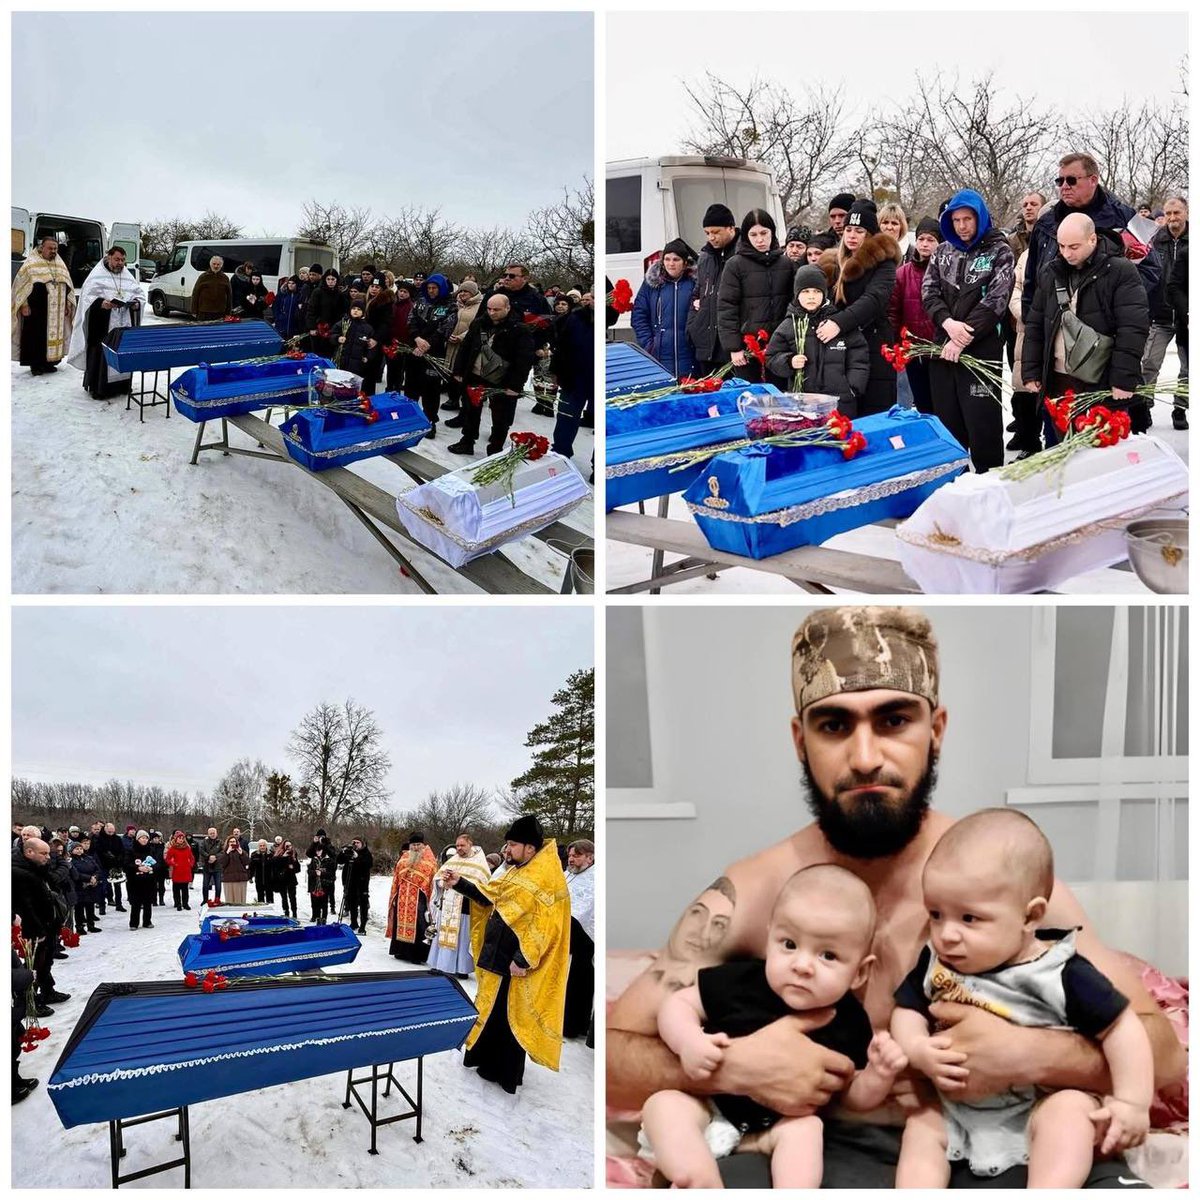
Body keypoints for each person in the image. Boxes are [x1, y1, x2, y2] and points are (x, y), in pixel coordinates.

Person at [606, 605, 1184, 1187]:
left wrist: (1030, 1054)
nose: (865, 758)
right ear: (799, 740)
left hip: (1005, 1145)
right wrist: (733, 1069)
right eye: (833, 725)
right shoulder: (753, 893)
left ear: (935, 730)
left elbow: (1163, 1052)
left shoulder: (1001, 883)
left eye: (893, 721)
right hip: (809, 1152)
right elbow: (610, 1054)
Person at [891, 808, 1151, 1187]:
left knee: (1070, 1113)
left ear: (1030, 917)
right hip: (959, 1113)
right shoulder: (936, 963)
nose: (946, 934)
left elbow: (1123, 1028)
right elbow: (907, 1009)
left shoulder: (1060, 972)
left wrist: (1132, 1102)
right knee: (921, 1125)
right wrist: (916, 1047)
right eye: (935, 914)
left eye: (969, 919)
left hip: (1038, 1109)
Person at [640, 865, 906, 1188]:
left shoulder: (850, 1020)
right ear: (769, 940)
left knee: (808, 1129)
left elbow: (850, 1097)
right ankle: (700, 1180)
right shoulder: (742, 980)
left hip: (776, 1128)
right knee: (663, 1105)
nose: (802, 965)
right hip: (708, 1106)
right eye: (789, 945)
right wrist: (689, 1041)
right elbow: (677, 1004)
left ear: (860, 973)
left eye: (828, 955)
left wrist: (879, 1075)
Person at [1020, 155, 1160, 432]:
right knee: (1059, 437)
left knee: (1105, 444)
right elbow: (1033, 280)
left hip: (1104, 350)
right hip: (1057, 348)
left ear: (1093, 180)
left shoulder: (1124, 217)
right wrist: (1034, 327)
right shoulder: (1047, 223)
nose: (1064, 186)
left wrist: (1109, 304)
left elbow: (1152, 271)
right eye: (1059, 181)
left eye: (1071, 180)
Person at [443, 815, 570, 1094]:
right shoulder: (517, 869)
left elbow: (545, 927)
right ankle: (482, 1060)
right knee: (491, 1012)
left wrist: (523, 959)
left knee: (509, 1018)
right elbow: (491, 895)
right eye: (507, 844)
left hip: (514, 961)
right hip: (497, 954)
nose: (507, 849)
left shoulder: (545, 877)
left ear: (530, 847)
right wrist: (459, 883)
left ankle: (504, 1073)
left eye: (512, 844)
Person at [921, 188, 1014, 473]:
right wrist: (947, 323)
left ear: (980, 218)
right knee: (948, 419)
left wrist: (963, 338)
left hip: (981, 351)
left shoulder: (1000, 251)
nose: (962, 226)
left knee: (981, 420)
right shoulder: (942, 252)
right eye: (957, 220)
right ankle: (955, 477)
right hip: (943, 350)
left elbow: (996, 300)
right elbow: (929, 292)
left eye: (967, 219)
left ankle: (989, 478)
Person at [818, 199, 902, 414]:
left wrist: (838, 323)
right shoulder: (833, 263)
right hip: (843, 352)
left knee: (875, 414)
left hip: (875, 347)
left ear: (870, 235)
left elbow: (874, 299)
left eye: (859, 230)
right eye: (848, 230)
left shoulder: (885, 263)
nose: (852, 235)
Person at [765, 265, 869, 413]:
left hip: (841, 402)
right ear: (797, 295)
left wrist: (852, 387)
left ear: (825, 294)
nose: (811, 296)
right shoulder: (789, 325)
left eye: (817, 291)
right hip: (803, 402)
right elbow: (771, 356)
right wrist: (789, 361)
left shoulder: (838, 322)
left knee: (839, 435)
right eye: (806, 291)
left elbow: (859, 354)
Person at [448, 293, 536, 457]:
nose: (492, 313)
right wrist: (459, 370)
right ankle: (467, 440)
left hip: (502, 380)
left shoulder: (519, 329)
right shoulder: (479, 323)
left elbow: (524, 360)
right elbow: (466, 347)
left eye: (497, 309)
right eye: (489, 309)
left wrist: (515, 386)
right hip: (475, 374)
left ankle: (495, 449)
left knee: (500, 417)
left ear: (507, 308)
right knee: (470, 410)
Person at [718, 209, 794, 387]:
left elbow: (793, 302)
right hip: (748, 347)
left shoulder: (786, 264)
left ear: (772, 233)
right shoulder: (735, 265)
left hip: (779, 346)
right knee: (751, 397)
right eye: (753, 234)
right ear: (745, 236)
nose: (759, 240)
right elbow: (726, 307)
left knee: (779, 396)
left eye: (764, 233)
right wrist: (734, 347)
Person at [66, 246, 146, 398]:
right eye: (117, 259)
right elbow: (86, 299)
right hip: (102, 324)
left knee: (122, 353)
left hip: (124, 323)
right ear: (108, 257)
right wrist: (101, 304)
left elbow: (139, 295)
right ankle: (100, 388)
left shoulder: (127, 276)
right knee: (102, 355)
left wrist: (136, 303)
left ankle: (122, 386)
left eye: (123, 260)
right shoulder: (96, 276)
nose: (120, 263)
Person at [1141, 197, 1188, 431]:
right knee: (1149, 363)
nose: (1171, 218)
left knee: (1187, 368)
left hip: (1185, 316)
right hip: (1159, 313)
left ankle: (1181, 407)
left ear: (1186, 212)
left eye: (1176, 213)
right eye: (1168, 213)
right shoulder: (1155, 241)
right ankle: (1144, 405)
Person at [887, 216, 941, 413]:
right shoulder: (902, 274)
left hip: (939, 350)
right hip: (914, 351)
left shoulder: (945, 271)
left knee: (943, 405)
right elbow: (893, 312)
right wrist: (897, 345)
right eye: (921, 239)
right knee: (922, 403)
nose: (925, 244)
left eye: (931, 240)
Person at [12, 838, 70, 1014]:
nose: (48, 857)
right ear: (29, 852)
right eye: (43, 854)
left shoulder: (36, 867)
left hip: (47, 924)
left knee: (46, 961)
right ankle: (30, 1002)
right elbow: (25, 906)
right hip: (34, 928)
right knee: (35, 965)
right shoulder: (18, 872)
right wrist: (37, 931)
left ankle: (47, 991)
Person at [686, 203, 740, 376]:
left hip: (732, 346)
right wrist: (693, 326)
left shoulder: (742, 255)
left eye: (716, 232)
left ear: (731, 228)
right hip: (706, 344)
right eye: (707, 233)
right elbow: (698, 291)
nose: (711, 237)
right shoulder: (705, 257)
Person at [632, 238, 698, 378]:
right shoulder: (652, 284)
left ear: (685, 263)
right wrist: (649, 344)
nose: (671, 264)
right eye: (667, 259)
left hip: (689, 356)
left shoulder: (695, 283)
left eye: (676, 259)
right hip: (660, 356)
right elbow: (639, 315)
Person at [12, 234, 76, 375]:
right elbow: (20, 287)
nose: (53, 251)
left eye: (55, 248)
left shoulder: (60, 264)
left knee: (51, 336)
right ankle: (36, 364)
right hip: (36, 309)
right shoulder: (30, 264)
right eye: (50, 248)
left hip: (56, 309)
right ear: (42, 248)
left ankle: (50, 363)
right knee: (36, 336)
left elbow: (67, 285)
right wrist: (24, 305)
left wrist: (66, 304)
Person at [428, 833, 491, 977]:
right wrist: (441, 882)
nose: (459, 848)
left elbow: (483, 887)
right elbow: (437, 878)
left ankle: (461, 969)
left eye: (462, 845)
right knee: (443, 936)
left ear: (470, 844)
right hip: (448, 905)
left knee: (462, 939)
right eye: (457, 845)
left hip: (465, 907)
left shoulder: (479, 863)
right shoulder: (454, 860)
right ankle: (440, 964)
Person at [409, 274, 457, 438]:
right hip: (415, 347)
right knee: (412, 384)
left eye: (434, 288)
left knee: (431, 389)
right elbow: (411, 319)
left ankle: (430, 420)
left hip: (435, 351)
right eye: (429, 288)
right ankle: (411, 415)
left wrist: (427, 344)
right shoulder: (421, 301)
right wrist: (416, 338)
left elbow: (446, 327)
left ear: (441, 288)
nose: (431, 291)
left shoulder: (450, 306)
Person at [550, 290, 594, 459]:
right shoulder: (574, 318)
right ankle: (561, 451)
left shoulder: (605, 315)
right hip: (573, 376)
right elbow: (561, 346)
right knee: (566, 416)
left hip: (597, 375)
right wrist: (555, 371)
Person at [386, 833, 437, 962]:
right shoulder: (405, 857)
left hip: (419, 896)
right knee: (400, 922)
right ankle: (400, 951)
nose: (415, 847)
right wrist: (395, 895)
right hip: (402, 896)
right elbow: (397, 876)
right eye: (413, 845)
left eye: (418, 845)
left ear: (422, 845)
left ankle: (417, 955)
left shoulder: (429, 859)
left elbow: (431, 879)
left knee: (419, 923)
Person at [564, 839, 596, 1040]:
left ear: (590, 857)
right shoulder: (568, 874)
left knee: (579, 982)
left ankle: (573, 1025)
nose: (571, 859)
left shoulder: (595, 879)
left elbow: (581, 912)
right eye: (570, 855)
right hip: (566, 933)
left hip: (584, 938)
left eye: (576, 855)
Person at [441, 279, 484, 419]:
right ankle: (452, 398)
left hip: (466, 344)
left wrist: (462, 337)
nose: (463, 293)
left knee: (462, 372)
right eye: (461, 290)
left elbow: (477, 326)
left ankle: (463, 403)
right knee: (451, 370)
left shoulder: (480, 306)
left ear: (473, 292)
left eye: (466, 291)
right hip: (451, 342)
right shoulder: (457, 304)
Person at [307, 268, 346, 359]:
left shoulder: (339, 294)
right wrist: (312, 327)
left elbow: (342, 312)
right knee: (318, 354)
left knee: (330, 354)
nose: (330, 282)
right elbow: (311, 310)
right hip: (319, 328)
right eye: (328, 279)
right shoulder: (318, 292)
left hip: (333, 329)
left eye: (333, 279)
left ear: (337, 280)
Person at [338, 837, 373, 932]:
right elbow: (339, 861)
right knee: (351, 904)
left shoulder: (366, 853)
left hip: (362, 883)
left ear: (362, 843)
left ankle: (363, 926)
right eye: (354, 842)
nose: (355, 844)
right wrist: (343, 852)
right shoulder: (350, 852)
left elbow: (368, 865)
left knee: (363, 905)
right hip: (350, 882)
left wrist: (357, 857)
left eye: (357, 842)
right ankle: (354, 923)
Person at [69, 837, 103, 935]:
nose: (79, 851)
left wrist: (95, 877)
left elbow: (97, 869)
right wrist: (88, 878)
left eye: (80, 848)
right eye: (77, 849)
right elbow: (75, 874)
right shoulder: (71, 861)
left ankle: (91, 925)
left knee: (90, 907)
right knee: (79, 909)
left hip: (91, 886)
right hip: (79, 887)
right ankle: (79, 927)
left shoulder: (89, 858)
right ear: (72, 850)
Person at [125, 831, 157, 930]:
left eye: (146, 838)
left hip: (149, 880)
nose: (144, 840)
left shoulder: (151, 850)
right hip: (135, 881)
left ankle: (147, 921)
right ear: (137, 839)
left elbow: (157, 863)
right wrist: (138, 868)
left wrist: (152, 868)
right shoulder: (131, 850)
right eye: (142, 838)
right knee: (136, 903)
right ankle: (134, 923)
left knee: (148, 902)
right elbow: (126, 864)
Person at [334, 298, 374, 375]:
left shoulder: (368, 328)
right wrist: (337, 338)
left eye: (359, 309)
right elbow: (332, 334)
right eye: (353, 308)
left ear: (363, 312)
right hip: (341, 359)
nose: (355, 311)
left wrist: (367, 357)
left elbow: (371, 346)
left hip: (357, 362)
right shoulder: (343, 322)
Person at [1008, 192, 1046, 259]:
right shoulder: (1011, 241)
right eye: (1025, 205)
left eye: (1033, 204)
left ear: (1043, 208)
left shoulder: (1052, 237)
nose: (1028, 208)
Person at [164, 830, 195, 911]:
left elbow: (192, 858)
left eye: (182, 838)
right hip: (177, 871)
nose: (181, 840)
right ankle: (178, 904)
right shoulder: (173, 848)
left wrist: (190, 864)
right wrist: (173, 864)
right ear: (176, 839)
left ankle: (185, 904)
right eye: (179, 838)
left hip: (185, 871)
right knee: (176, 890)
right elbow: (167, 859)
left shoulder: (187, 848)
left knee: (185, 890)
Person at [271, 841, 301, 919]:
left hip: (291, 879)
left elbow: (298, 869)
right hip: (282, 879)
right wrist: (283, 857)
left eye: (290, 845)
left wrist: (293, 866)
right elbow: (275, 865)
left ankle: (294, 913)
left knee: (292, 897)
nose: (288, 847)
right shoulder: (279, 854)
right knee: (284, 898)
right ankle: (286, 912)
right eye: (287, 846)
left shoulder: (293, 854)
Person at [272, 275, 307, 340]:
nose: (290, 285)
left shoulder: (300, 295)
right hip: (282, 325)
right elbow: (276, 306)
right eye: (289, 283)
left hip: (294, 326)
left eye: (293, 283)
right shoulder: (283, 294)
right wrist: (278, 318)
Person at [219, 834, 251, 905]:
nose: (232, 843)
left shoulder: (242, 851)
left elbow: (247, 862)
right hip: (228, 879)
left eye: (234, 841)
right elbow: (222, 863)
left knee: (240, 900)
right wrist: (227, 852)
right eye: (230, 842)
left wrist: (241, 853)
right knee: (230, 900)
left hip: (241, 879)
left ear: (237, 843)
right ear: (228, 843)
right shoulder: (224, 852)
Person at [307, 842, 334, 924]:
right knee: (315, 902)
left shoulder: (329, 860)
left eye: (319, 850)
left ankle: (324, 918)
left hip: (325, 884)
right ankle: (317, 917)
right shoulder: (314, 859)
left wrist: (321, 873)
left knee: (324, 903)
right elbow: (309, 871)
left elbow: (331, 874)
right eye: (317, 851)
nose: (317, 852)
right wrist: (315, 872)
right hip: (314, 884)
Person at [199, 826, 222, 903]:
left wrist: (215, 857)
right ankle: (205, 900)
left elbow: (223, 852)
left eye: (213, 833)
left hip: (217, 867)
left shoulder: (220, 842)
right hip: (207, 866)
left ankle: (217, 899)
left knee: (218, 886)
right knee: (205, 885)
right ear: (208, 834)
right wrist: (209, 857)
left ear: (216, 833)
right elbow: (201, 850)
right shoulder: (204, 842)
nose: (212, 834)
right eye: (211, 833)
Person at [250, 839, 274, 904]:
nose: (262, 847)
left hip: (269, 879)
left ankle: (270, 909)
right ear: (258, 846)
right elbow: (251, 867)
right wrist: (250, 877)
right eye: (261, 845)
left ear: (266, 846)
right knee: (260, 896)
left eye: (264, 845)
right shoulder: (254, 855)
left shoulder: (271, 854)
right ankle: (261, 909)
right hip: (259, 878)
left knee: (270, 896)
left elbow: (275, 867)